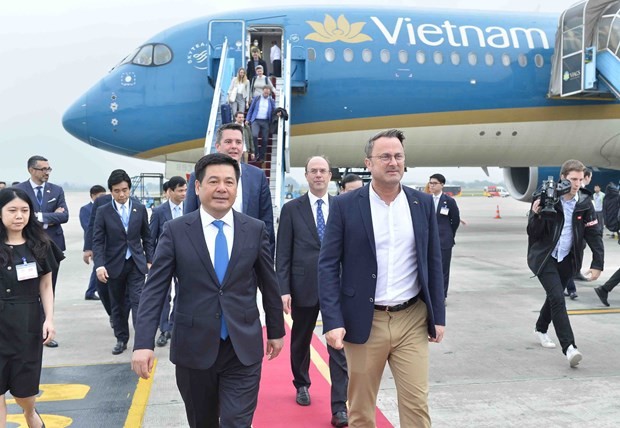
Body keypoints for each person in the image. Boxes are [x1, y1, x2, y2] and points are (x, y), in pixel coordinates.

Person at [132, 153, 285, 428]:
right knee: (202, 422)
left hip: (242, 346)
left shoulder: (255, 229)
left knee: (236, 422)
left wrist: (275, 330)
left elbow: (268, 283)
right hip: (194, 347)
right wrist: (144, 342)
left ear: (237, 188)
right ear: (198, 187)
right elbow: (155, 290)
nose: (222, 188)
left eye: (229, 182)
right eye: (213, 181)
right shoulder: (176, 230)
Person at [318, 129, 445, 427]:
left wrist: (438, 314)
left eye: (398, 156)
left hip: (412, 317)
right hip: (364, 320)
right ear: (368, 163)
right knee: (361, 409)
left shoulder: (421, 204)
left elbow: (433, 262)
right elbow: (326, 266)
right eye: (385, 156)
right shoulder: (345, 206)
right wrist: (332, 320)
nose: (393, 162)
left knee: (417, 404)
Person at [276, 156, 349, 427]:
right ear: (306, 176)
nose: (318, 175)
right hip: (302, 285)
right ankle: (302, 383)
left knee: (338, 345)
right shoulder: (291, 209)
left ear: (330, 175)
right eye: (313, 171)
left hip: (337, 287)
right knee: (301, 340)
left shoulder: (342, 206)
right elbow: (282, 253)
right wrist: (283, 288)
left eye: (323, 171)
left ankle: (339, 406)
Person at [528, 159, 603, 367]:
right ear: (563, 178)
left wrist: (598, 263)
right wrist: (536, 215)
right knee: (557, 298)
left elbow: (594, 234)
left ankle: (540, 329)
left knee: (554, 297)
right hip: (545, 257)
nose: (577, 184)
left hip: (568, 259)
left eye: (580, 179)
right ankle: (570, 348)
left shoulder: (585, 203)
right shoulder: (544, 197)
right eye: (573, 179)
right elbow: (533, 233)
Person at [0, 188, 60, 428]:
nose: (19, 216)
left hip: (27, 324)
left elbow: (46, 285)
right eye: (12, 210)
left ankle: (30, 414)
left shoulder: (41, 245)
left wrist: (49, 319)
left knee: (24, 395)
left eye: (24, 210)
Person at [184, 123, 275, 255]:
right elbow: (188, 220)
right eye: (228, 141)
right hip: (208, 255)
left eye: (238, 142)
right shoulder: (198, 176)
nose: (234, 146)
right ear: (217, 146)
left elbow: (267, 223)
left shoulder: (258, 176)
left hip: (248, 257)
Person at [92, 169, 154, 355]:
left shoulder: (139, 208)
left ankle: (142, 341)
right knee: (117, 305)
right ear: (111, 191)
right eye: (117, 191)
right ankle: (121, 338)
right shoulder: (103, 211)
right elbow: (98, 240)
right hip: (113, 265)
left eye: (125, 190)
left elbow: (147, 237)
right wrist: (100, 265)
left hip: (135, 262)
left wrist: (150, 259)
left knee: (139, 302)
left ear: (129, 189)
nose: (121, 194)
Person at [15, 155, 68, 348]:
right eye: (43, 169)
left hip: (51, 249)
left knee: (48, 289)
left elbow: (65, 216)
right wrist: (49, 217)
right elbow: (21, 217)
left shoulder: (57, 190)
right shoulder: (19, 190)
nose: (46, 172)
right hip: (26, 248)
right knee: (27, 290)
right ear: (31, 170)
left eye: (48, 169)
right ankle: (27, 330)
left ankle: (46, 331)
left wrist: (37, 216)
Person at [149, 176, 187, 347]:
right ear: (170, 191)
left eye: (185, 190)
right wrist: (150, 260)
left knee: (183, 292)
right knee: (164, 295)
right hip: (164, 259)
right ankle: (163, 328)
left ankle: (173, 324)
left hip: (186, 259)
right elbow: (150, 239)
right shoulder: (159, 212)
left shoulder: (191, 208)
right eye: (180, 190)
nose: (184, 194)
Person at [428, 173, 460, 301]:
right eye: (430, 183)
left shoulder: (449, 201)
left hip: (444, 241)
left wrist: (449, 235)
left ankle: (442, 296)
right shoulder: (427, 200)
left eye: (434, 183)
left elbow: (455, 220)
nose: (431, 186)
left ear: (442, 185)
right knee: (430, 269)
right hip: (429, 241)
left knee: (443, 270)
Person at [79, 185, 106, 301]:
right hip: (94, 243)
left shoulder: (106, 207)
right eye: (100, 196)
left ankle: (94, 290)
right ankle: (90, 291)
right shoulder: (85, 209)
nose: (102, 199)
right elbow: (87, 226)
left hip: (106, 242)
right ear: (92, 196)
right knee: (98, 266)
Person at [247, 86, 276, 163]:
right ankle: (256, 154)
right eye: (265, 92)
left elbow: (274, 110)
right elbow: (251, 109)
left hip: (265, 121)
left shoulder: (271, 100)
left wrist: (278, 113)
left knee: (265, 139)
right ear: (262, 91)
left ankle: (262, 157)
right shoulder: (257, 98)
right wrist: (247, 119)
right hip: (255, 120)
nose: (266, 93)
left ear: (269, 92)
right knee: (254, 136)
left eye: (267, 92)